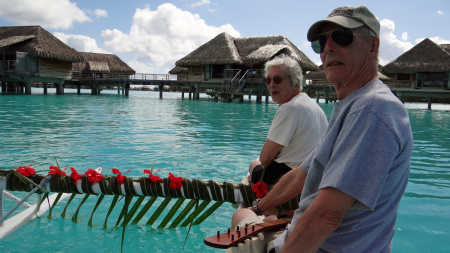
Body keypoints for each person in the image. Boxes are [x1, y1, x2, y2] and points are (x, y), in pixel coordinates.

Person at [230, 5, 413, 253]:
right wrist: (259, 208)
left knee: (239, 217)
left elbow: (326, 215)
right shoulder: (352, 106)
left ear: (373, 46)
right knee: (251, 214)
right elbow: (301, 175)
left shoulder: (371, 109)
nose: (328, 48)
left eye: (342, 37)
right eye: (321, 42)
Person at [248, 54, 328, 185]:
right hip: (310, 177)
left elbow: (265, 159)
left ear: (295, 82)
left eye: (277, 79)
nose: (271, 84)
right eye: (268, 80)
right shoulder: (314, 106)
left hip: (285, 179)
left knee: (254, 164)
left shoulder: (289, 109)